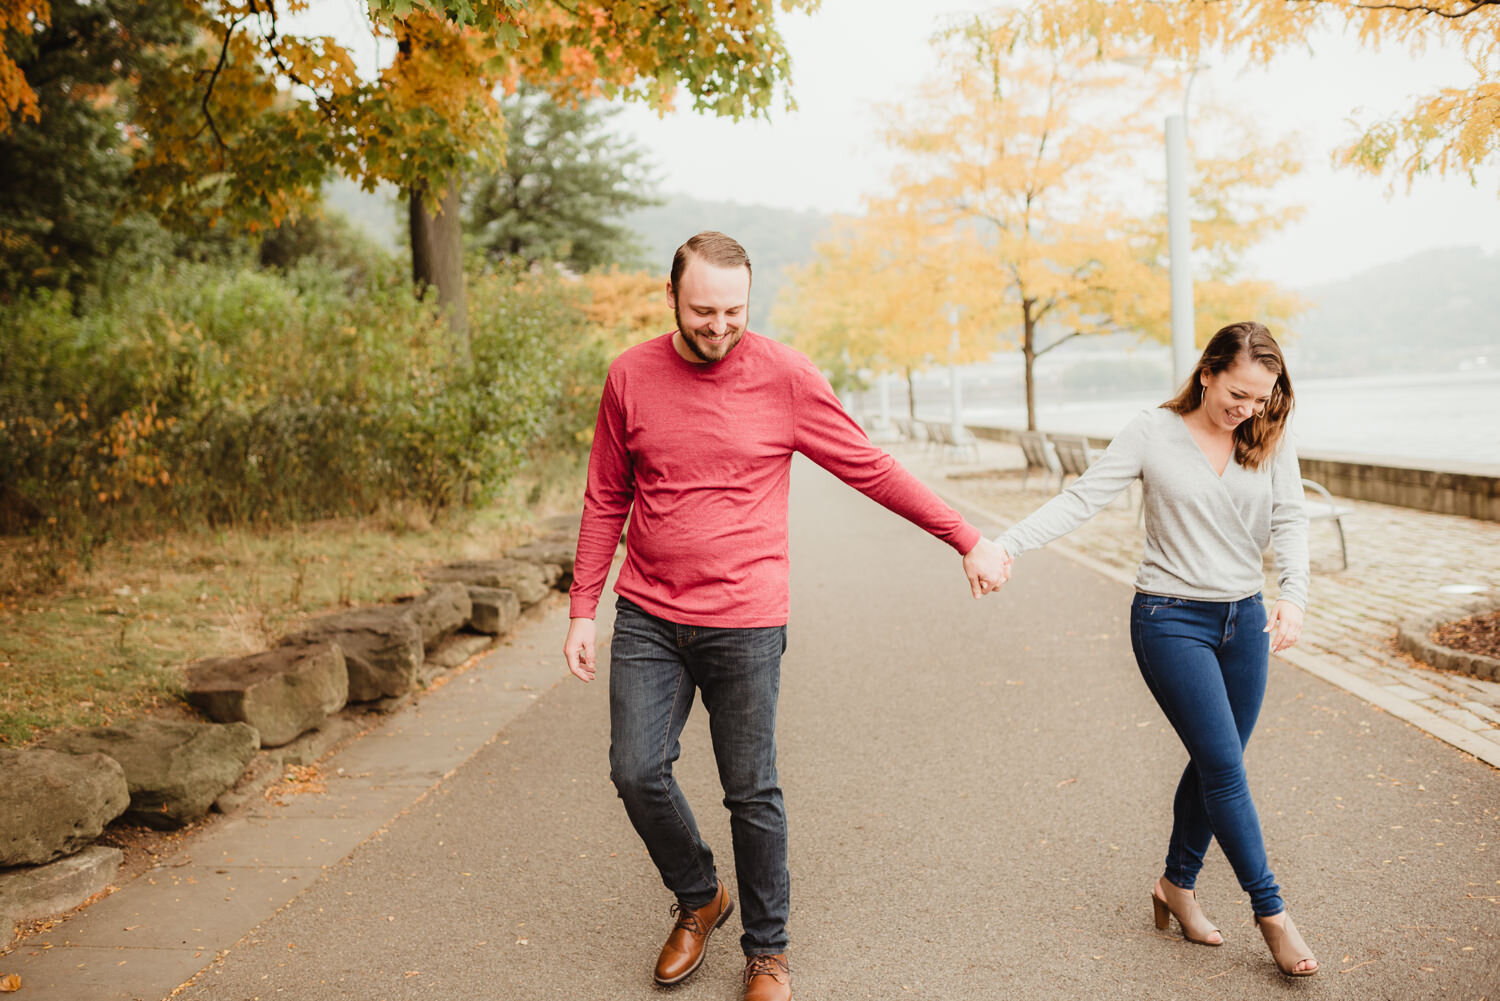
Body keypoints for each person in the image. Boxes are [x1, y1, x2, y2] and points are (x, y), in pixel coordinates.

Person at [562, 231, 1012, 1001]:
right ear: (670, 296)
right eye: (703, 310)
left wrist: (964, 535)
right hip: (648, 612)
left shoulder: (785, 376)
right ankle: (700, 894)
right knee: (635, 770)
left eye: (734, 310)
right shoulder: (630, 375)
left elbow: (869, 467)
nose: (719, 325)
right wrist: (582, 607)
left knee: (751, 790)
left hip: (745, 617)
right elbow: (607, 494)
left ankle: (767, 951)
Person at [991, 321, 1318, 977]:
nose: (1247, 409)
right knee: (1225, 767)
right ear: (1207, 373)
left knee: (1213, 761)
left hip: (1244, 620)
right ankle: (1273, 912)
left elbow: (1290, 515)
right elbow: (1083, 497)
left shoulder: (1266, 435)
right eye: (1238, 393)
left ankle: (1176, 884)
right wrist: (1007, 543)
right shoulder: (1153, 431)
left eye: (1260, 398)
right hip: (1170, 620)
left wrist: (1294, 595)